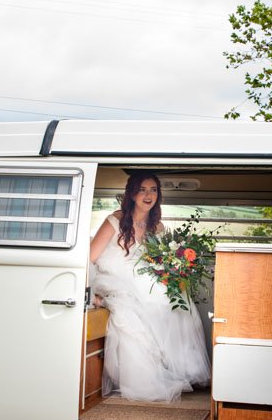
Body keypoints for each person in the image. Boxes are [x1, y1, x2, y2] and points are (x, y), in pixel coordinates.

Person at [88, 171, 211, 403]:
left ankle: (178, 369)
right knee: (143, 298)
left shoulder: (157, 225)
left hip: (145, 275)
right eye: (143, 189)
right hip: (114, 274)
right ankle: (149, 374)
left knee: (177, 299)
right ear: (132, 193)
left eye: (153, 190)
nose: (148, 195)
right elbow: (90, 257)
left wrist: (173, 269)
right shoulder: (114, 220)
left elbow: (159, 260)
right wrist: (90, 291)